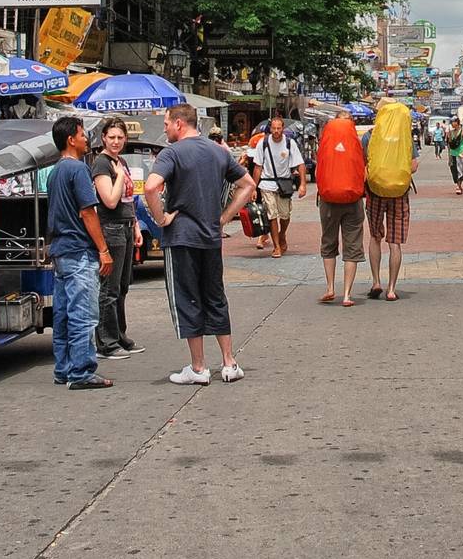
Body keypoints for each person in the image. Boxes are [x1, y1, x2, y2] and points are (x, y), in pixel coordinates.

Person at [145, 104, 253, 384]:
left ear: (179, 123)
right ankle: (229, 363)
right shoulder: (219, 151)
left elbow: (150, 187)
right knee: (215, 295)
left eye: (167, 123)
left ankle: (198, 367)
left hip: (181, 236)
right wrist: (224, 217)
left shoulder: (171, 153)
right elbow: (248, 185)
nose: (165, 128)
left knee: (187, 297)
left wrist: (161, 218)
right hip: (210, 235)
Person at [46, 115, 115, 389]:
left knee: (63, 314)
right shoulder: (78, 170)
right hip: (78, 251)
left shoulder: (55, 172)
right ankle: (82, 371)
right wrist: (103, 249)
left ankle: (63, 368)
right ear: (71, 139)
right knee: (83, 314)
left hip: (61, 251)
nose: (87, 139)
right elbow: (88, 212)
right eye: (83, 134)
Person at [89, 117, 141, 359]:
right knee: (109, 289)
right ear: (103, 139)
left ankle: (120, 335)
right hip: (111, 229)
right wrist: (119, 176)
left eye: (120, 137)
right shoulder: (102, 164)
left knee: (122, 286)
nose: (116, 141)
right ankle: (106, 343)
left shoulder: (119, 162)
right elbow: (109, 199)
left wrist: (136, 226)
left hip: (126, 227)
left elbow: (128, 200)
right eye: (112, 137)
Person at [363, 99, 419, 301]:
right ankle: (392, 288)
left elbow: (364, 165)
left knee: (375, 237)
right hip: (399, 194)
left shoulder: (370, 136)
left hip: (375, 192)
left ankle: (376, 281)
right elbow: (413, 166)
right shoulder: (405, 137)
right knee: (395, 242)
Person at [312, 110, 368, 306]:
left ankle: (330, 287)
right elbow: (363, 170)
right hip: (353, 200)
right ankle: (346, 295)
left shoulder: (325, 140)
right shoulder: (356, 141)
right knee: (352, 245)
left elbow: (319, 169)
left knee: (328, 242)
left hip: (328, 200)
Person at [248, 114, 308, 258]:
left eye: (278, 128)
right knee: (272, 215)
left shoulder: (289, 143)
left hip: (284, 184)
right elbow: (257, 167)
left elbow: (300, 164)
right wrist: (253, 188)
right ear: (270, 129)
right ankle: (276, 246)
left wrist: (303, 185)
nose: (276, 131)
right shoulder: (263, 143)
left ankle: (282, 235)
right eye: (273, 128)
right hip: (267, 183)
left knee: (285, 215)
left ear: (283, 129)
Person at [447, 123, 463, 193]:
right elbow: (449, 143)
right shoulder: (451, 132)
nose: (452, 124)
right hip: (452, 153)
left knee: (460, 170)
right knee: (453, 169)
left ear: (457, 123)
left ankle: (458, 186)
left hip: (460, 153)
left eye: (454, 122)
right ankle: (457, 184)